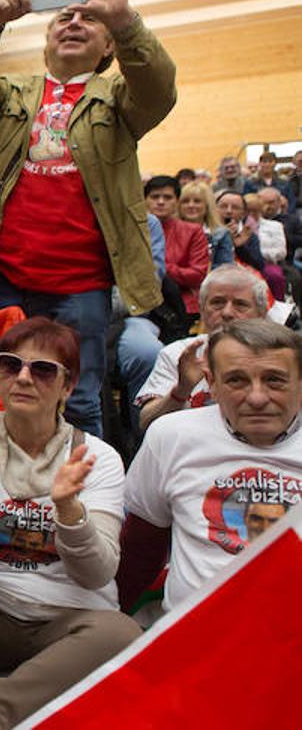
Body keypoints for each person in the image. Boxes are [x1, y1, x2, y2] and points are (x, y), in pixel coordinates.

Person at [0, 0, 177, 436]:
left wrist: (123, 18)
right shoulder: (9, 93)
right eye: (63, 18)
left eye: (88, 19)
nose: (73, 23)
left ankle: (84, 482)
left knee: (78, 399)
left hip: (80, 285)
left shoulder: (120, 98)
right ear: (46, 41)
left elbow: (158, 89)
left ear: (109, 46)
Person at [0, 317, 140, 728]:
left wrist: (69, 511)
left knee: (123, 637)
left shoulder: (97, 458)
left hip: (68, 621)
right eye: (11, 365)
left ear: (68, 387)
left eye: (43, 370)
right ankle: (9, 708)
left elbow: (97, 573)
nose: (24, 378)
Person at [118, 320, 302, 613]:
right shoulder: (172, 436)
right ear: (211, 385)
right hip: (198, 629)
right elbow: (141, 548)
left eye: (274, 380)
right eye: (236, 380)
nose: (257, 397)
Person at [134, 265, 269, 432]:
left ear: (261, 314)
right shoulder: (178, 354)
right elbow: (146, 422)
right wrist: (181, 390)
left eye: (240, 305)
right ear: (202, 309)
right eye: (217, 303)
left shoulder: (278, 357)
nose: (227, 313)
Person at [144, 175, 208, 321]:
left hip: (182, 304)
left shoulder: (193, 231)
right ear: (145, 200)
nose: (161, 202)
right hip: (140, 303)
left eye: (167, 197)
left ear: (177, 201)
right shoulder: (132, 231)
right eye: (155, 197)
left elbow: (197, 274)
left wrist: (157, 266)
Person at [178, 181, 232, 267]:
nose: (191, 205)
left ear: (207, 206)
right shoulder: (168, 231)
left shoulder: (221, 234)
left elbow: (225, 268)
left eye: (197, 201)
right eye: (185, 201)